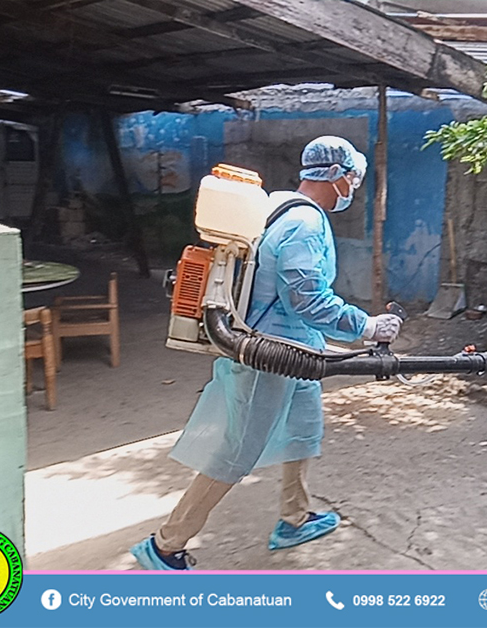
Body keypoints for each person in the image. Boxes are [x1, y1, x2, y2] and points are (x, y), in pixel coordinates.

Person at [131, 136, 402, 570]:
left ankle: (295, 518)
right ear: (334, 175)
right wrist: (365, 326)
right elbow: (306, 299)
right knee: (237, 451)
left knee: (302, 427)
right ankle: (165, 545)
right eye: (352, 177)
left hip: (297, 349)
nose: (354, 186)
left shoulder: (277, 207)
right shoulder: (305, 224)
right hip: (269, 354)